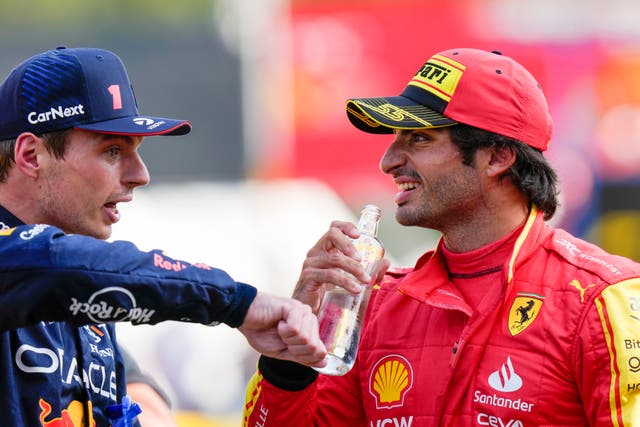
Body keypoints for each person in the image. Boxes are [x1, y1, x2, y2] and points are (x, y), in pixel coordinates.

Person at [242, 48, 640, 426]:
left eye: (419, 138)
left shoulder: (604, 301)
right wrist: (291, 355)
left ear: (498, 157)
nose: (389, 161)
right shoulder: (377, 304)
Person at [0, 46, 326, 426]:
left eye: (135, 151)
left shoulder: (84, 301)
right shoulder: (57, 271)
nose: (140, 174)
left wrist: (287, 365)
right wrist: (236, 302)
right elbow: (60, 267)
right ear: (30, 156)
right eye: (112, 151)